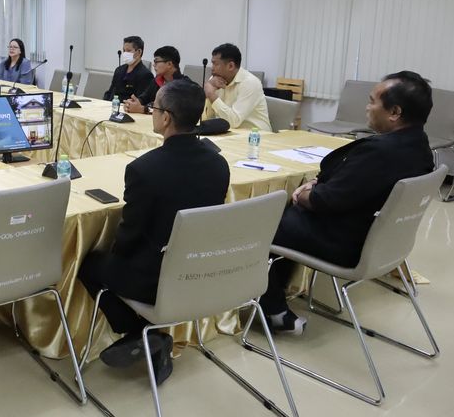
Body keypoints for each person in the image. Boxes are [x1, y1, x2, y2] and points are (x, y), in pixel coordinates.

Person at [78, 79, 230, 384]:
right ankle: (150, 337)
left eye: (155, 108)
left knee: (90, 264)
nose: (153, 113)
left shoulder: (144, 169)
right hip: (200, 271)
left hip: (154, 280)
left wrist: (114, 253)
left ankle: (141, 333)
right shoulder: (219, 164)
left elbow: (129, 236)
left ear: (166, 118)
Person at [260, 71, 435, 334]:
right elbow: (355, 185)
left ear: (394, 112)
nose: (367, 107)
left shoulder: (380, 153)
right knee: (287, 220)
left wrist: (302, 194)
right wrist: (318, 183)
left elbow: (324, 200)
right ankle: (277, 296)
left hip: (347, 243)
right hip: (383, 245)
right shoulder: (420, 148)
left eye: (372, 101)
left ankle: (271, 308)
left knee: (265, 223)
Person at [202, 43, 271, 131]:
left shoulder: (250, 83)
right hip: (229, 133)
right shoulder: (214, 80)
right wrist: (205, 95)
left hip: (255, 135)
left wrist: (211, 95)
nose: (212, 68)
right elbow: (205, 118)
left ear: (231, 66)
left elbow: (233, 122)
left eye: (216, 64)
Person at [123, 45, 188, 114]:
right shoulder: (157, 80)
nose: (154, 65)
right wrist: (132, 103)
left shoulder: (183, 86)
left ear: (169, 64)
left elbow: (171, 110)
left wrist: (143, 109)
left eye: (156, 61)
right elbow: (145, 97)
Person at [103, 36, 155, 103]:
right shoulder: (119, 70)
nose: (125, 53)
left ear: (139, 52)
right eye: (124, 50)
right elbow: (110, 92)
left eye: (128, 51)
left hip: (128, 107)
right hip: (112, 105)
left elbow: (141, 101)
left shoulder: (146, 75)